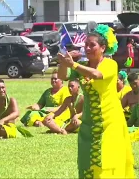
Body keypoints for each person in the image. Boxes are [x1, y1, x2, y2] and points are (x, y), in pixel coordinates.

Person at [57, 24, 134, 178]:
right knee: (87, 162)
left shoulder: (110, 64)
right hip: (88, 124)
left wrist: (74, 64)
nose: (88, 48)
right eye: (86, 45)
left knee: (107, 161)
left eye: (92, 45)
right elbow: (62, 76)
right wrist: (64, 63)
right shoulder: (82, 66)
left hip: (110, 122)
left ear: (103, 48)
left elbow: (97, 75)